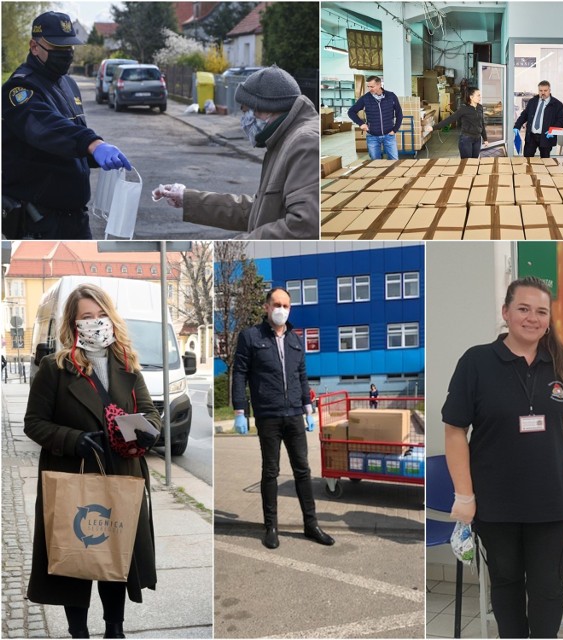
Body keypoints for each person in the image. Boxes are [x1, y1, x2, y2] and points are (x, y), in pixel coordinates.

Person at [442, 276, 563, 639]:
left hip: (552, 499)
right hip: (496, 502)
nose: (532, 318)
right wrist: (464, 494)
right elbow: (454, 430)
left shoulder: (561, 361)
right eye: (523, 309)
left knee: (547, 586)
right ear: (506, 312)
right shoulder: (476, 362)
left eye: (541, 311)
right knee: (506, 582)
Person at [24, 284, 161, 639]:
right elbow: (34, 423)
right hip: (74, 474)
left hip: (121, 473)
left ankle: (114, 629)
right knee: (77, 558)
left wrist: (148, 432)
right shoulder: (54, 368)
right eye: (87, 317)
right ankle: (78, 632)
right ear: (73, 323)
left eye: (101, 315)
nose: (96, 323)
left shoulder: (126, 362)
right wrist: (74, 440)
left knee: (115, 555)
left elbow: (148, 413)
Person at [2, 11, 132, 240]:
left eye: (69, 48)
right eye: (58, 49)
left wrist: (94, 154)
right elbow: (46, 129)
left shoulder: (68, 85)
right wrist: (92, 143)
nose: (66, 54)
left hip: (76, 217)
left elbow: (71, 140)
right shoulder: (19, 89)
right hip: (39, 220)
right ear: (34, 47)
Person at [153, 65, 318, 239]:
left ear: (266, 107)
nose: (244, 120)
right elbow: (259, 211)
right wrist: (187, 199)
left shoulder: (304, 143)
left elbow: (304, 226)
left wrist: (239, 247)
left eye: (245, 110)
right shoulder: (283, 140)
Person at [232, 287, 335, 549]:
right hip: (268, 415)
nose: (281, 310)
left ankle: (311, 525)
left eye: (286, 305)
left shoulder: (295, 339)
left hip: (294, 416)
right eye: (276, 304)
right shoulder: (251, 336)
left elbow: (301, 375)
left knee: (303, 471)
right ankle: (271, 527)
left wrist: (308, 407)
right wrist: (240, 411)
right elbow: (240, 374)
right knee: (271, 471)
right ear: (266, 307)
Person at [347, 76, 403, 160]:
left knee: (394, 160)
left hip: (389, 135)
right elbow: (351, 112)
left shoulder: (391, 96)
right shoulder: (365, 99)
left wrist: (395, 129)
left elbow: (399, 113)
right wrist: (361, 123)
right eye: (368, 86)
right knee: (375, 163)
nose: (370, 89)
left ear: (379, 85)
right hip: (372, 136)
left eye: (372, 86)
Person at [425, 87, 488, 158]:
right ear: (471, 97)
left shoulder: (480, 107)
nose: (480, 97)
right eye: (478, 95)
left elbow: (482, 123)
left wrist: (485, 139)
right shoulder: (463, 109)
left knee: (474, 162)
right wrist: (433, 128)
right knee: (466, 163)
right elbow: (450, 119)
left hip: (477, 139)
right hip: (466, 139)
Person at [513, 81, 563, 158]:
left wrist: (553, 131)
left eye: (545, 90)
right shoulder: (532, 102)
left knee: (545, 160)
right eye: (541, 91)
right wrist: (517, 126)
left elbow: (561, 120)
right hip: (531, 136)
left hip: (546, 137)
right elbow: (524, 115)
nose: (543, 93)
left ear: (549, 90)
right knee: (527, 159)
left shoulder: (557, 104)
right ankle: (529, 170)